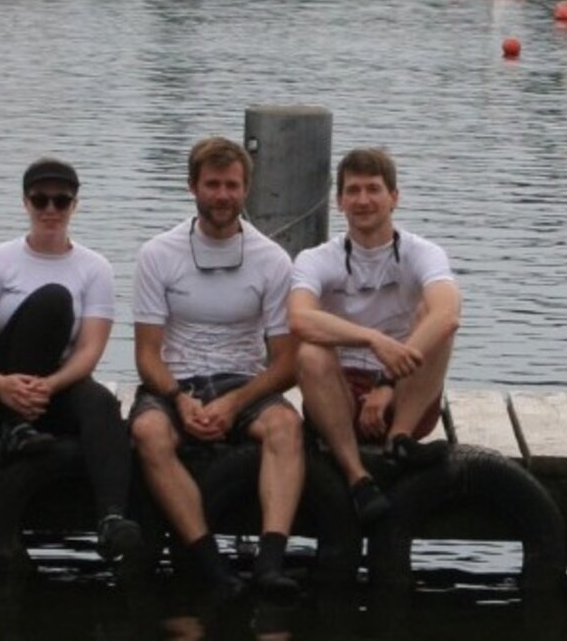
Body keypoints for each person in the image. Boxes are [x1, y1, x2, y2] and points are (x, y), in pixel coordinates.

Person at [130, 137, 304, 596]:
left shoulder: (272, 259)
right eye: (212, 185)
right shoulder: (157, 254)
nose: (222, 196)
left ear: (246, 189)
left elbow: (286, 363)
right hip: (176, 378)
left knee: (287, 428)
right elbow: (147, 354)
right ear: (192, 187)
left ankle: (269, 562)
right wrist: (177, 401)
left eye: (231, 186)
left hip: (242, 380)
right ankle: (210, 564)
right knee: (148, 433)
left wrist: (233, 404)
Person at [0, 157, 143, 561]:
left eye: (62, 201)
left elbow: (90, 349)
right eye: (41, 200)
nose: (51, 210)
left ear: (75, 204)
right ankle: (16, 427)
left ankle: (112, 518)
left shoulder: (95, 268)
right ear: (26, 203)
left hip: (51, 389)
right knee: (53, 300)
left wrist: (51, 385)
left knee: (102, 404)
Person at [290, 149, 461, 528]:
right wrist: (372, 340)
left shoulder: (422, 252)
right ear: (339, 202)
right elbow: (299, 318)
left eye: (373, 189)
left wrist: (388, 381)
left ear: (394, 197)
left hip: (404, 392)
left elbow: (448, 311)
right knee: (310, 352)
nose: (363, 200)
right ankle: (356, 476)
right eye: (353, 191)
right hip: (340, 395)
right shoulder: (317, 258)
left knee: (436, 320)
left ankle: (400, 440)